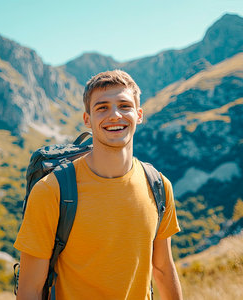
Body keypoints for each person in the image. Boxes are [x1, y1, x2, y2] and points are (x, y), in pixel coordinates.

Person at [15, 70, 182, 300]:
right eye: (102, 107)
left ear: (139, 114)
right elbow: (29, 290)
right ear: (87, 120)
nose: (114, 115)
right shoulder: (51, 190)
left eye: (124, 105)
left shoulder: (159, 185)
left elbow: (163, 269)